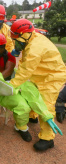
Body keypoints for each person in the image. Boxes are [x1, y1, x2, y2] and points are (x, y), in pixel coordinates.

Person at [10, 19, 66, 151]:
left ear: (24, 35)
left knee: (45, 105)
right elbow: (25, 63)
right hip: (40, 74)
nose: (15, 43)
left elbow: (25, 71)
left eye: (17, 39)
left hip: (52, 77)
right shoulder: (31, 38)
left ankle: (47, 138)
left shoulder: (35, 47)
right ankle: (32, 116)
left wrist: (11, 85)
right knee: (33, 94)